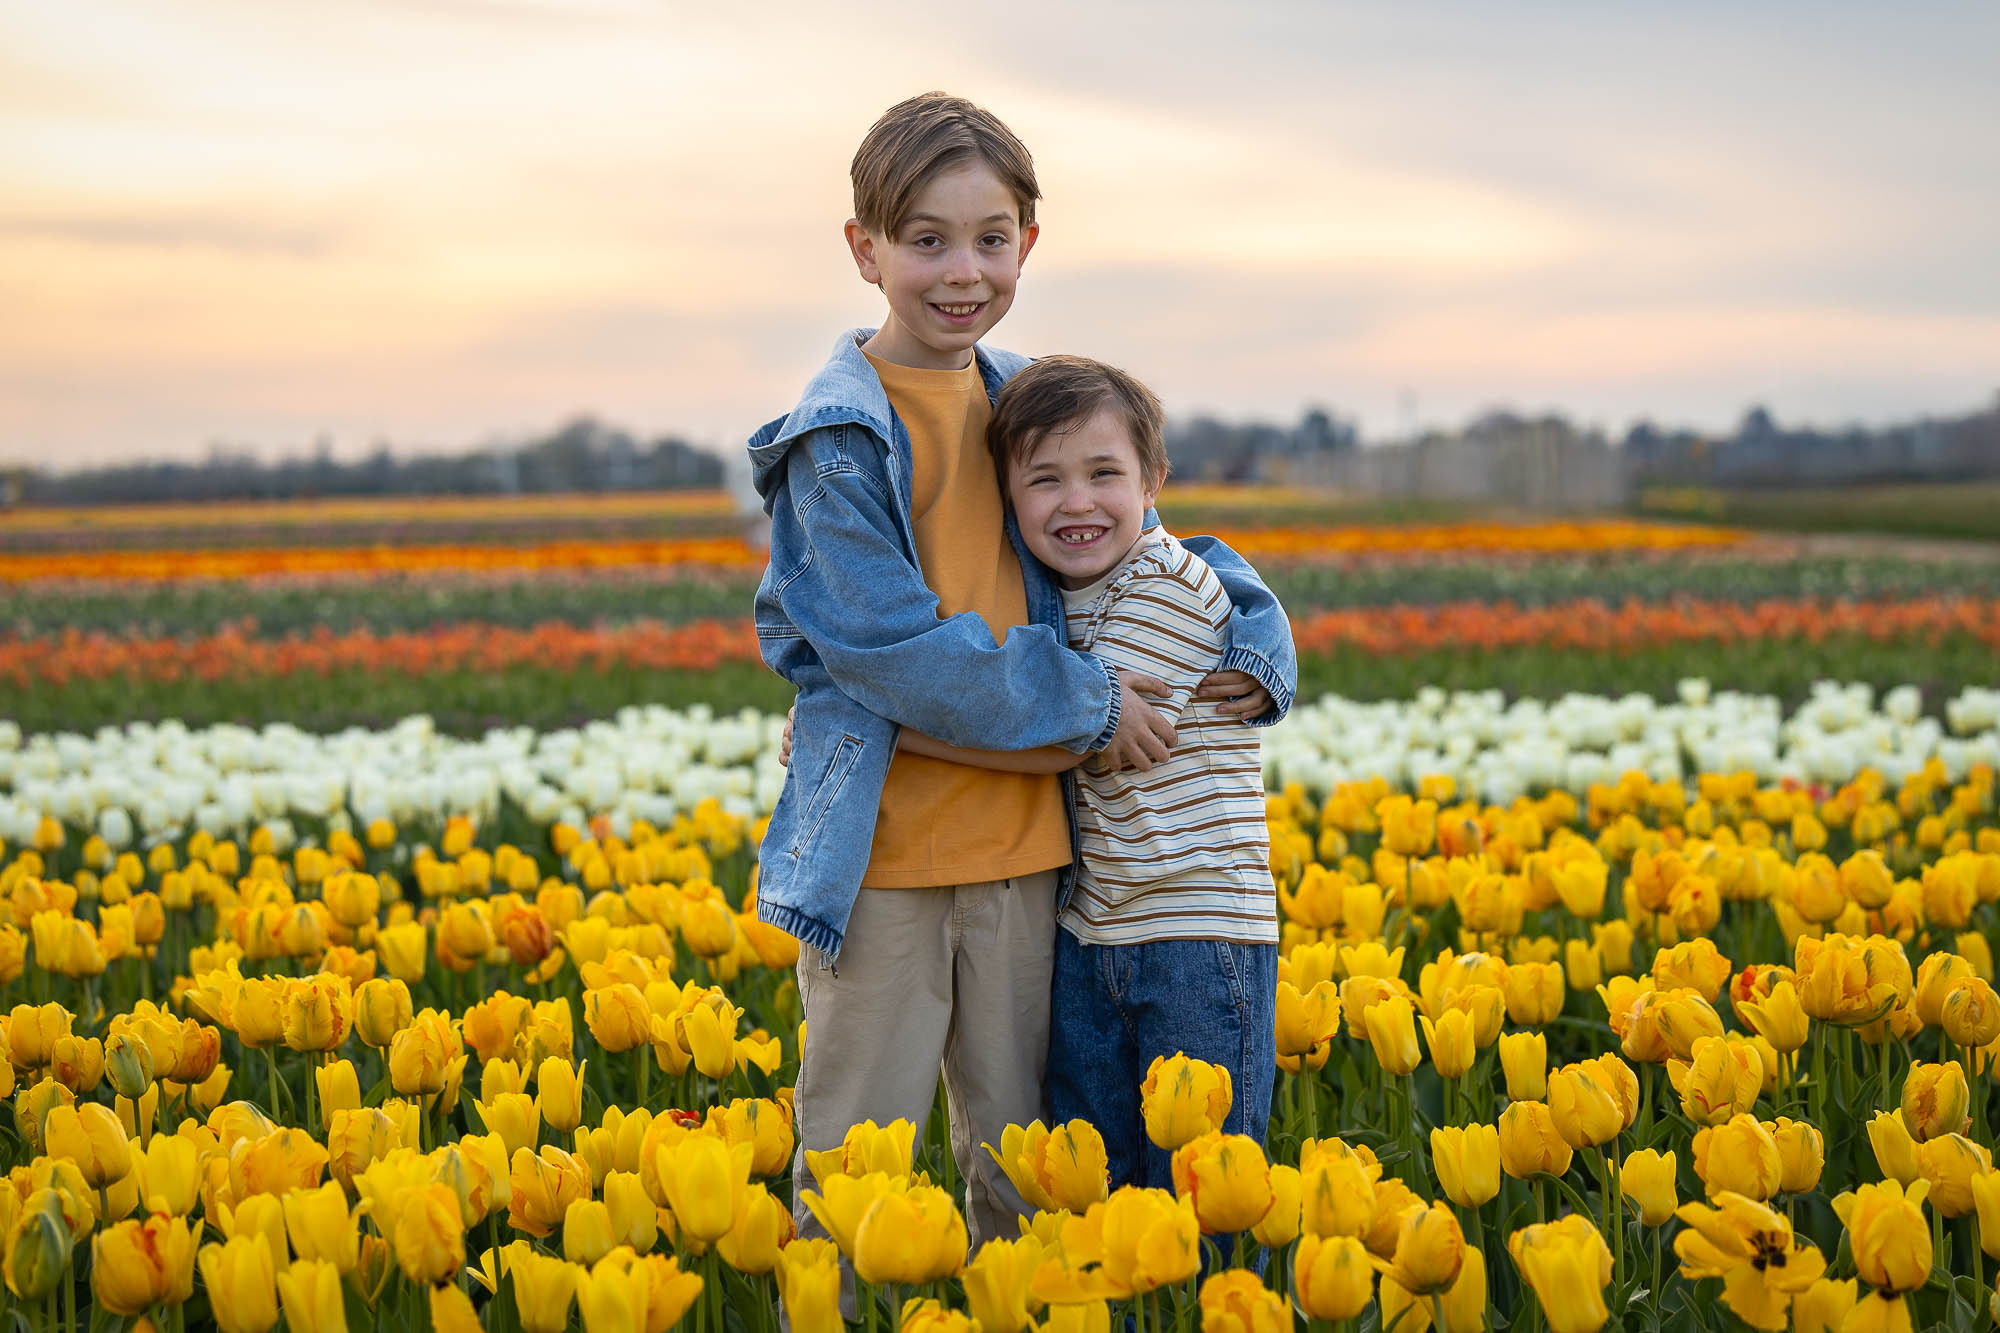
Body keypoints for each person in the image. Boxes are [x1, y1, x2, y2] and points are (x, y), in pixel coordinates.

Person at [748, 92, 1296, 1254]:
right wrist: (1089, 706)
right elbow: (887, 646)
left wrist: (1255, 632)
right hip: (886, 859)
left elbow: (1147, 539)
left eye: (989, 239)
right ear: (864, 250)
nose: (961, 271)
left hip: (1039, 858)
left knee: (1029, 1172)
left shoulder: (1021, 394)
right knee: (855, 1166)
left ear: (1026, 245)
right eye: (925, 240)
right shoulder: (836, 438)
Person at [916, 354, 1279, 1190]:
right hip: (1092, 933)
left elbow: (1063, 723)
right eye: (1043, 479)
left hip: (1195, 928)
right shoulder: (1057, 596)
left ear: (1154, 479)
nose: (1075, 501)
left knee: (1205, 1192)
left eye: (1103, 473)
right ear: (1006, 499)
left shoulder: (1168, 588)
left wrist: (875, 718)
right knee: (1098, 1193)